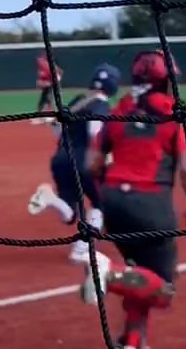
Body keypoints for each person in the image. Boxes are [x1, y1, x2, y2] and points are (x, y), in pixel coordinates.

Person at [85, 50, 186, 349]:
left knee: (141, 274)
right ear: (165, 81)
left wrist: (109, 200)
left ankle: (133, 344)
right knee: (164, 290)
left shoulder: (119, 110)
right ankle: (108, 274)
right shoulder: (175, 113)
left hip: (114, 202)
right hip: (150, 206)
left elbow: (93, 165)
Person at [27, 64, 121, 265]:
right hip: (83, 162)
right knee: (101, 204)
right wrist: (105, 159)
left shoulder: (78, 101)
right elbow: (95, 133)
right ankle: (80, 250)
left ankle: (50, 199)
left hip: (61, 159)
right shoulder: (102, 107)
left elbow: (57, 129)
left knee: (70, 214)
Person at [33, 52, 62, 123]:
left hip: (53, 85)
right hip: (48, 86)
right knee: (43, 101)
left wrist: (48, 83)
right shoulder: (43, 68)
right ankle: (42, 116)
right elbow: (41, 80)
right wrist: (42, 83)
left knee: (49, 99)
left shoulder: (48, 67)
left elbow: (58, 74)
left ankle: (52, 116)